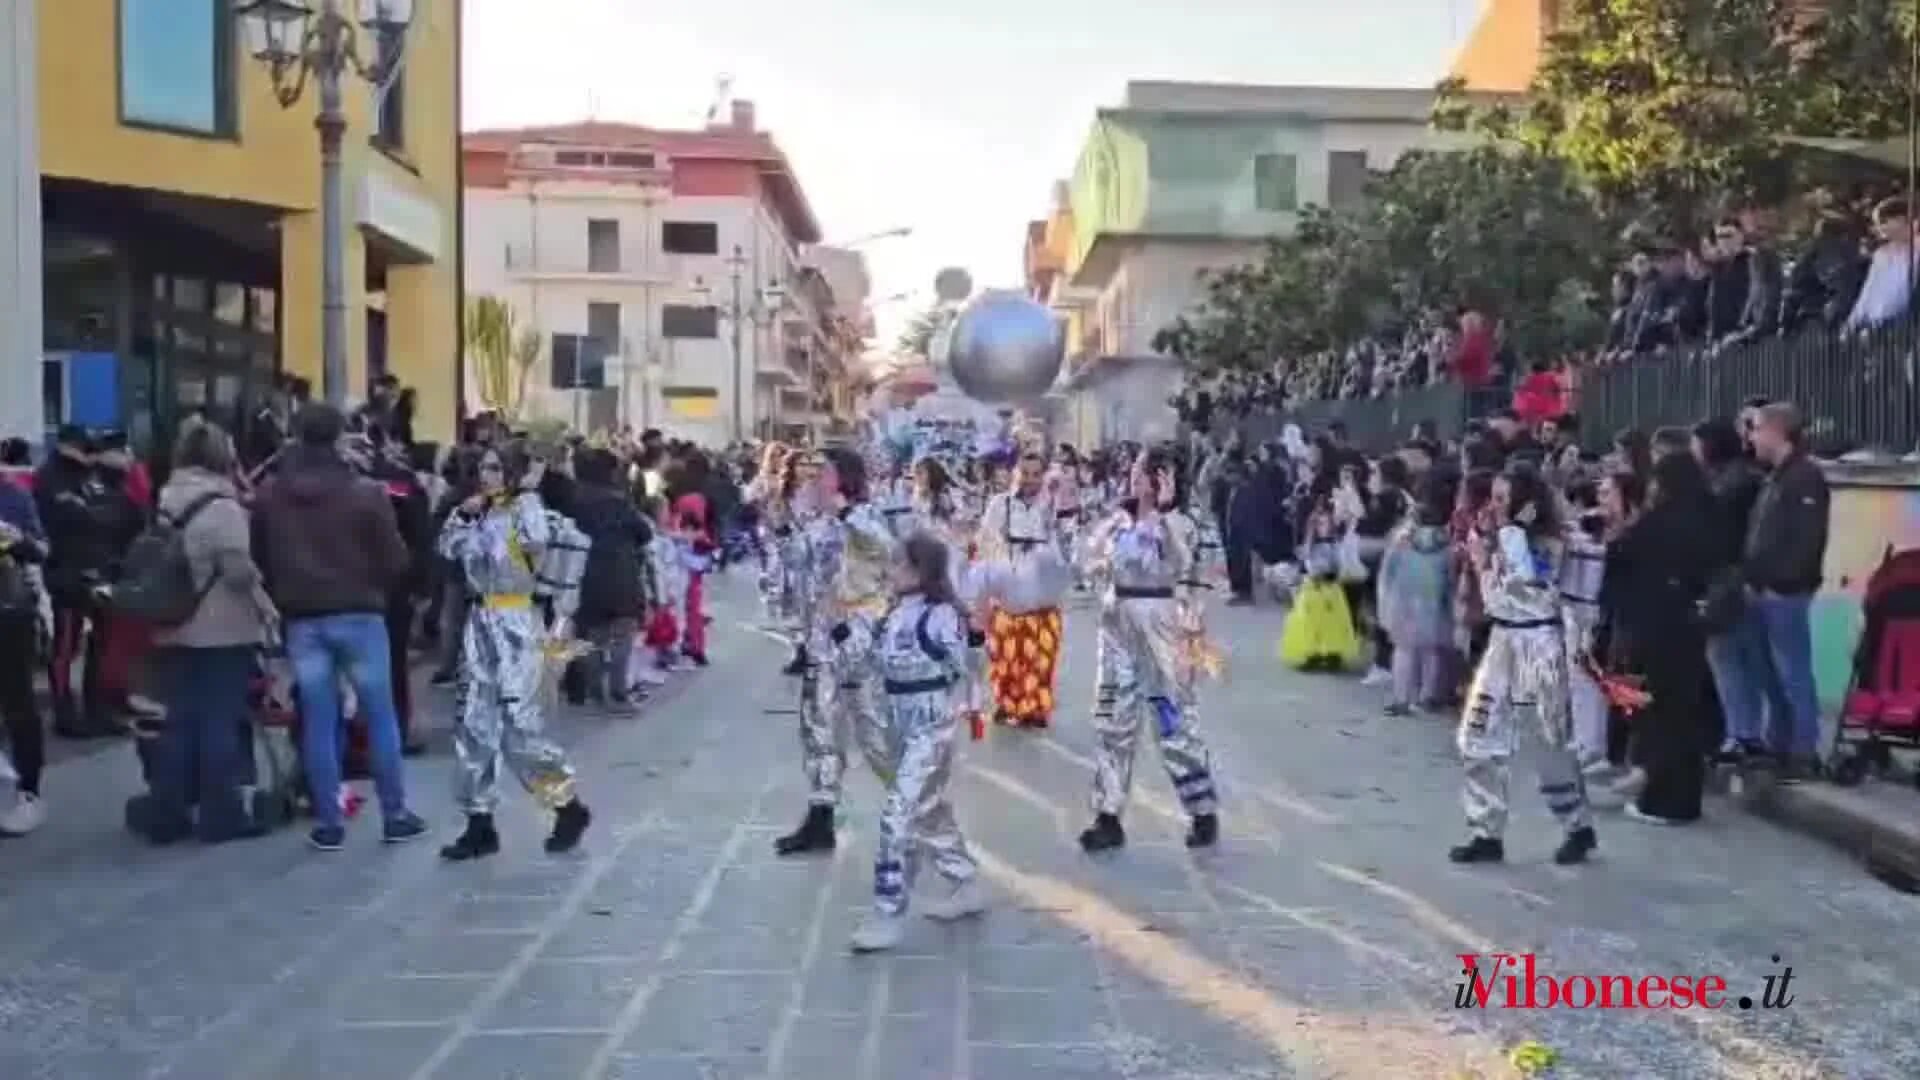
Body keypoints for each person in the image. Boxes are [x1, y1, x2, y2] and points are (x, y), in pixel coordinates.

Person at [252, 403, 426, 851]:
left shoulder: (271, 493)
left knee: (319, 719)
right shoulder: (367, 493)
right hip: (360, 613)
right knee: (380, 714)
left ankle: (329, 820)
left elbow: (260, 555)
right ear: (339, 438)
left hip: (303, 617)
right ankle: (395, 813)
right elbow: (397, 559)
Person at [436, 442, 593, 860]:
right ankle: (479, 822)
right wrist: (464, 514)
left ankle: (567, 806)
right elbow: (447, 547)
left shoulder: (529, 509)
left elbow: (535, 541)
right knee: (474, 724)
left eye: (494, 469)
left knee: (522, 730)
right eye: (482, 468)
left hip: (519, 625)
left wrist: (525, 493)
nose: (485, 476)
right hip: (480, 623)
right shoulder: (476, 512)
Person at [1450, 462, 1596, 866]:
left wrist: (1508, 531)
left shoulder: (1546, 541)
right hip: (1502, 642)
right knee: (1476, 734)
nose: (1493, 506)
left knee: (1548, 740)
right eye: (1492, 497)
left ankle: (1577, 825)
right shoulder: (1495, 538)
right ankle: (1485, 830)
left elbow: (1532, 575)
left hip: (1539, 643)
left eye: (1502, 498)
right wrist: (1483, 553)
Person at [1075, 447, 1220, 853]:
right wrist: (1098, 572)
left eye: (1153, 475)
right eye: (1140, 472)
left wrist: (1162, 516)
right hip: (1117, 626)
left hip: (1163, 624)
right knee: (1111, 720)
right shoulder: (1116, 521)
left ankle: (1202, 808)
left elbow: (1183, 564)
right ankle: (1107, 814)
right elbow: (1085, 563)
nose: (1142, 481)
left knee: (1172, 720)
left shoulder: (1184, 524)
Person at [140, 423, 280, 844]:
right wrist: (266, 605)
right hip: (220, 629)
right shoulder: (222, 507)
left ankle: (169, 811)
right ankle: (221, 814)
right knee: (219, 721)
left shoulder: (167, 497)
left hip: (175, 623)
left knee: (181, 721)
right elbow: (237, 570)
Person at [849, 533, 987, 952]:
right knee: (927, 809)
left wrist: (976, 642)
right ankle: (964, 880)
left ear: (920, 570)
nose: (891, 572)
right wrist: (842, 632)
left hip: (932, 723)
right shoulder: (891, 615)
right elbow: (870, 661)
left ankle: (887, 912)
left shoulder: (941, 615)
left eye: (898, 565)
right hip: (897, 719)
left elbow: (968, 664)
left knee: (898, 814)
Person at [775, 447, 897, 856]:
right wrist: (786, 525)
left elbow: (886, 554)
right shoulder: (819, 523)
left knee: (873, 731)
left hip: (857, 641)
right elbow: (799, 566)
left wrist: (842, 512)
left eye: (822, 471)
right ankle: (820, 816)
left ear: (842, 476)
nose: (814, 478)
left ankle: (917, 810)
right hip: (822, 640)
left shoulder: (865, 518)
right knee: (818, 730)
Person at [1598, 453, 1718, 825]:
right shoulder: (1706, 519)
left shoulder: (1657, 523)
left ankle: (1662, 799)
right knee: (1684, 714)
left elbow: (1622, 559)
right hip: (1688, 626)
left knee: (1661, 715)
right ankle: (1684, 797)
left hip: (1655, 629)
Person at [1742, 403, 1831, 778]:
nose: (1752, 436)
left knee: (1793, 672)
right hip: (1762, 590)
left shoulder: (1804, 477)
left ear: (1778, 431)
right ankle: (1777, 742)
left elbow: (1807, 541)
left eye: (1758, 428)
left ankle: (1803, 751)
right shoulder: (1774, 477)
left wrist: (1782, 583)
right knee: (1769, 674)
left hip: (1785, 593)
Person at [977, 450, 1070, 728]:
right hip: (1009, 596)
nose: (1029, 480)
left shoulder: (1052, 506)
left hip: (1042, 597)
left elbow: (1068, 547)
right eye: (1025, 474)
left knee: (1041, 660)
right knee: (1005, 657)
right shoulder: (1000, 504)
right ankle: (1007, 703)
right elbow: (985, 541)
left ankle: (1036, 708)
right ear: (1015, 474)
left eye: (1035, 475)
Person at [570, 447, 652, 710]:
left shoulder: (574, 501)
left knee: (594, 633)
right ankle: (618, 693)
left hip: (586, 574)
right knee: (623, 634)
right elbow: (644, 532)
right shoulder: (619, 502)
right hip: (620, 573)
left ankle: (595, 690)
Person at [1376, 478, 1453, 716]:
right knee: (1432, 651)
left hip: (1404, 602)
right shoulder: (1446, 544)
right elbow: (1451, 576)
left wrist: (1384, 598)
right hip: (1435, 603)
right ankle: (1428, 696)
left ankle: (1402, 698)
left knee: (1404, 651)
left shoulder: (1401, 542)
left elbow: (1387, 573)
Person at [0, 474, 48, 834]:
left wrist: (16, 539)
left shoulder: (13, 496)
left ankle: (28, 793)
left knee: (18, 703)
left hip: (10, 615)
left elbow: (42, 548)